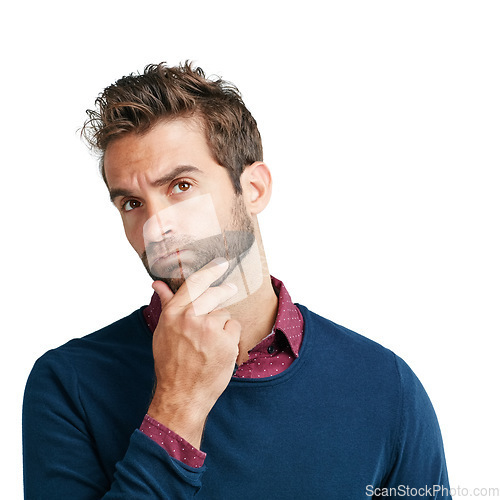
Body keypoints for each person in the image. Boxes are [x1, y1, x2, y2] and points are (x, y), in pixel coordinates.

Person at [22, 62, 452, 499]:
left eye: (181, 186)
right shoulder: (69, 383)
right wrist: (178, 404)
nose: (155, 226)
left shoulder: (383, 385)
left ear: (254, 189)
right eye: (132, 202)